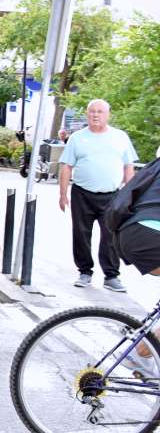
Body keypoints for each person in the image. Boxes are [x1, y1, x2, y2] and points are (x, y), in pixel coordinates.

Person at [59, 99, 138, 292]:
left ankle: (111, 276)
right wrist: (63, 194)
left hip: (111, 195)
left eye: (100, 112)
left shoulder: (120, 137)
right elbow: (66, 166)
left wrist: (131, 196)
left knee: (111, 235)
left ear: (108, 114)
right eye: (92, 112)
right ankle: (85, 271)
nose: (95, 115)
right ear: (87, 114)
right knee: (81, 233)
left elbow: (129, 167)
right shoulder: (77, 138)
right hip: (82, 194)